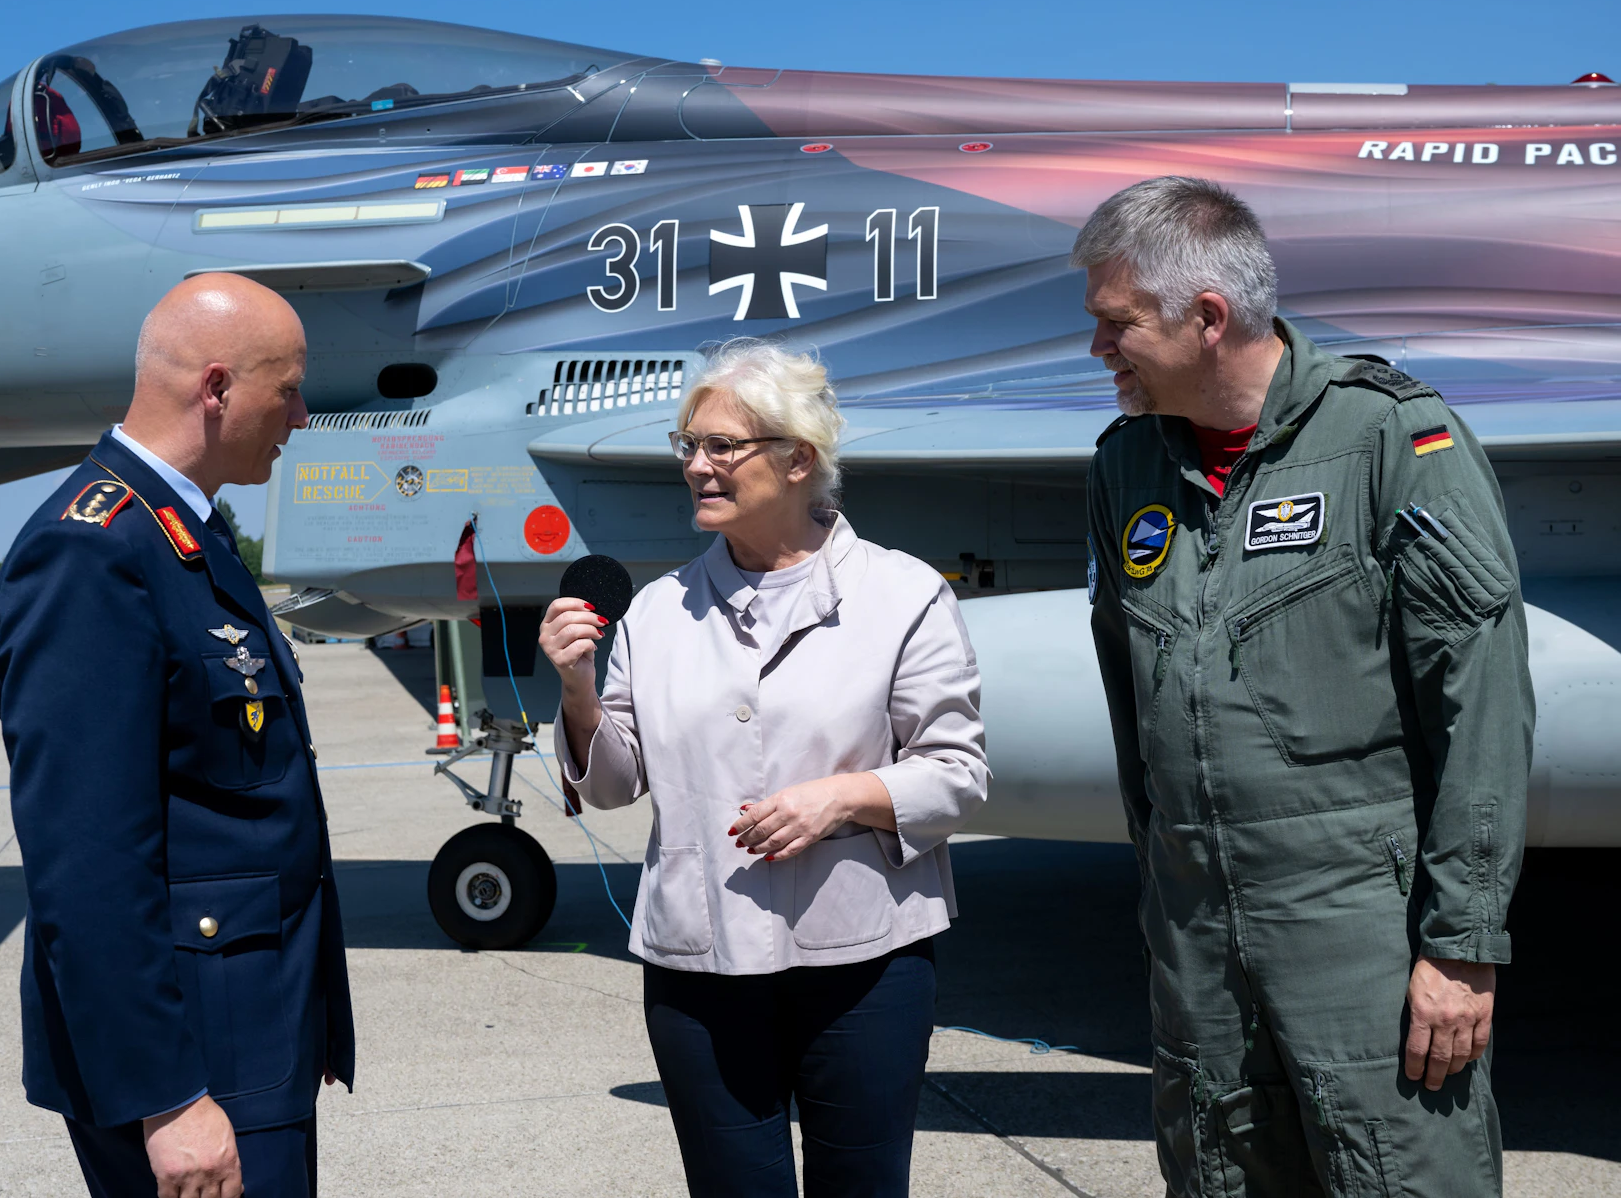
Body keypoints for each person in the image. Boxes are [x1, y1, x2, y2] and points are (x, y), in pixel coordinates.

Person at [1078, 177, 1531, 1197]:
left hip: (1355, 929)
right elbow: (1131, 707)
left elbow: (1480, 700)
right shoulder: (1123, 468)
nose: (1098, 350)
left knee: (1396, 1174)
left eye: (1115, 325)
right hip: (1195, 942)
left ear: (1205, 317)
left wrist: (1459, 943)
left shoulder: (1390, 441)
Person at [538, 339, 988, 1198]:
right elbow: (609, 784)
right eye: (688, 446)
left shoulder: (904, 596)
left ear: (798, 459)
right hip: (698, 968)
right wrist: (577, 691)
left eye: (721, 446)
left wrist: (847, 797)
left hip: (865, 963)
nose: (697, 466)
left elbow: (958, 772)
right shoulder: (657, 612)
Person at [0, 273, 353, 1198]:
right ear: (218, 388)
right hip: (195, 1062)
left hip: (246, 1035)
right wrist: (167, 1096)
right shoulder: (94, 548)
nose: (303, 414)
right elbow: (86, 856)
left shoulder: (182, 529)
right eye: (289, 389)